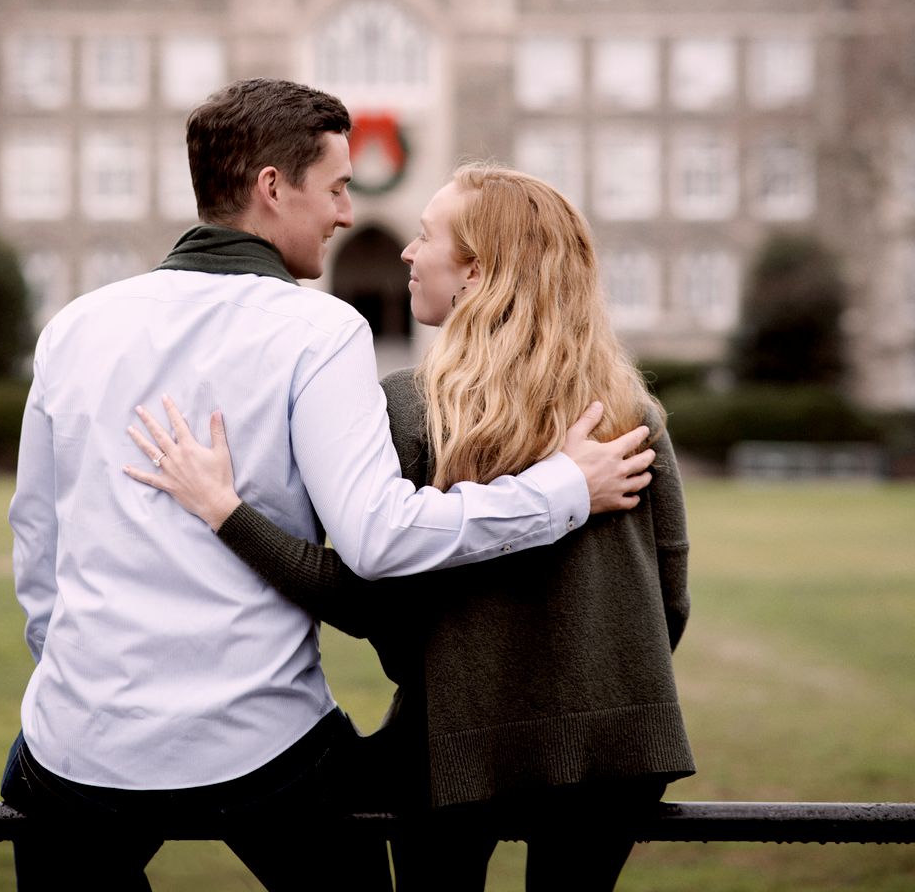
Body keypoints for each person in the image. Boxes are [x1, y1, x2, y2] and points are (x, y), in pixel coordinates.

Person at [2, 80, 656, 892]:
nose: (348, 213)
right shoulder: (320, 327)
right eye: (339, 188)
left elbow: (37, 540)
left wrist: (83, 676)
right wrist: (561, 487)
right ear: (273, 189)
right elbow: (380, 540)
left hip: (79, 744)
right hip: (261, 745)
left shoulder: (73, 326)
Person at [127, 162, 695, 892]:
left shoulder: (413, 410)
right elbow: (669, 601)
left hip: (449, 752)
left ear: (477, 273)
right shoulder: (630, 415)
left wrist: (226, 513)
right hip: (618, 748)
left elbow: (367, 601)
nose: (405, 251)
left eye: (425, 237)